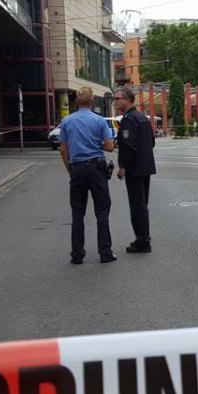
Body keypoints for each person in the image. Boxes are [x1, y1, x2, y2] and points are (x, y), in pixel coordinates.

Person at [60, 86, 117, 264]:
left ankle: (77, 254)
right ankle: (105, 252)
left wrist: (71, 170)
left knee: (77, 211)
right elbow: (109, 146)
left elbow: (63, 149)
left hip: (77, 168)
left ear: (76, 102)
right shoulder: (99, 121)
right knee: (102, 209)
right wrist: (94, 144)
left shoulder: (67, 121)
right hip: (96, 168)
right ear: (92, 102)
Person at [113, 86, 156, 253]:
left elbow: (128, 147)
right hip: (145, 166)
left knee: (137, 205)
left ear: (128, 99)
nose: (116, 101)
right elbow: (151, 142)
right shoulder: (142, 118)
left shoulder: (129, 120)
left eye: (118, 98)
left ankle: (142, 241)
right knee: (142, 204)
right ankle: (144, 236)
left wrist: (122, 166)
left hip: (135, 169)